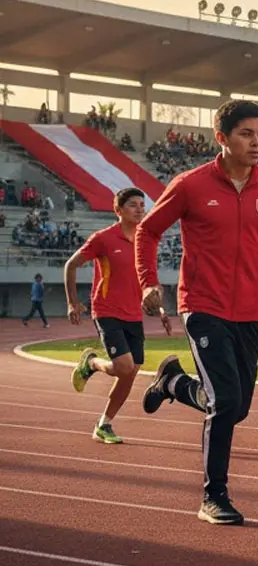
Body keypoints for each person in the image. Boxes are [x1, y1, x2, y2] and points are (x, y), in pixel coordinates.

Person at [136, 100, 258, 525]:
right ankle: (214, 496)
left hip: (247, 312)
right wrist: (148, 282)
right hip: (202, 307)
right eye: (246, 133)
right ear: (221, 138)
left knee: (238, 406)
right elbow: (148, 230)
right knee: (225, 401)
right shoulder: (190, 185)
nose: (256, 142)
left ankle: (171, 382)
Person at [65, 187, 173, 444]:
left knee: (131, 371)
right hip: (107, 310)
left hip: (133, 313)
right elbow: (71, 265)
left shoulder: (145, 242)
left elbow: (150, 282)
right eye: (133, 205)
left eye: (142, 204)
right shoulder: (103, 238)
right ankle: (91, 363)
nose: (139, 209)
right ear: (118, 210)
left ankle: (104, 424)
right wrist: (72, 302)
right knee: (123, 366)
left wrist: (160, 309)